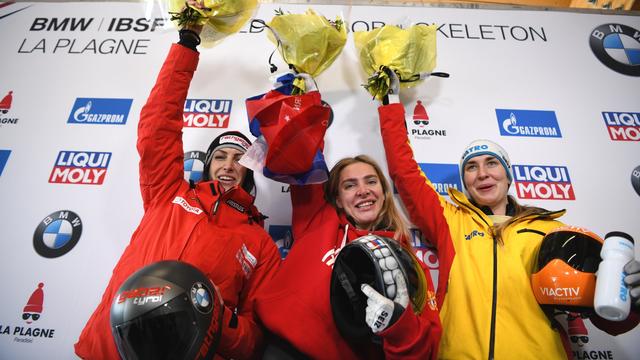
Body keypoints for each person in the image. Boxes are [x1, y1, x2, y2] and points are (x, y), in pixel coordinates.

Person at [376, 71, 639, 359]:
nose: (483, 173)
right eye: (471, 167)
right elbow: (405, 173)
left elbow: (605, 316)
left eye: (492, 163)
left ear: (508, 174)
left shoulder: (551, 230)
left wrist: (632, 300)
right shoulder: (450, 219)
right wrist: (391, 104)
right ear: (465, 180)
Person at [74, 24, 281, 359]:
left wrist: (217, 313)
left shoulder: (261, 244)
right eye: (220, 156)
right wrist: (187, 44)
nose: (229, 165)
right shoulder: (168, 192)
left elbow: (253, 339)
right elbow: (158, 126)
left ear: (248, 172)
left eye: (239, 159)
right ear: (208, 164)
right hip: (109, 350)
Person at [255, 152, 442, 359]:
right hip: (283, 352)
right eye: (350, 185)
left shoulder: (406, 262)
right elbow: (301, 150)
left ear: (384, 193)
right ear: (339, 199)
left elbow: (428, 348)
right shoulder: (317, 219)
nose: (363, 191)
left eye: (371, 181)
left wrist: (399, 325)